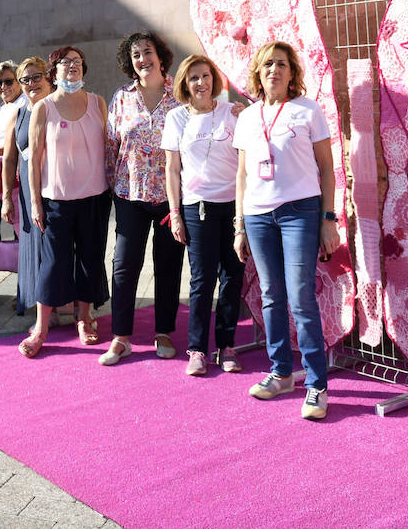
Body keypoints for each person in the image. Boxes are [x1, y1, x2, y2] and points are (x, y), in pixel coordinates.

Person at [233, 41, 340, 420]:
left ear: (292, 72)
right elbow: (242, 176)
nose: (273, 70)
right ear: (258, 74)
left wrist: (329, 218)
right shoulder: (247, 118)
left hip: (300, 212)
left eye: (281, 64)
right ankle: (280, 372)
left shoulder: (308, 111)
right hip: (258, 215)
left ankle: (316, 385)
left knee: (300, 298)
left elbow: (327, 168)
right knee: (270, 296)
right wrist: (239, 226)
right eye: (266, 65)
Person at [100, 31, 185, 366]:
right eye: (136, 55)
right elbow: (110, 146)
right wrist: (111, 188)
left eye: (147, 52)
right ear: (130, 62)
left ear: (160, 56)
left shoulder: (179, 94)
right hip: (130, 194)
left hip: (170, 198)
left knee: (168, 265)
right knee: (124, 266)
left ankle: (163, 331)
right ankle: (121, 337)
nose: (142, 59)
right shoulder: (121, 97)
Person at [20, 45, 110, 357]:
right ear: (53, 71)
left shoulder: (98, 103)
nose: (73, 66)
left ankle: (84, 319)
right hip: (55, 200)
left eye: (77, 61)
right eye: (65, 62)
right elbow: (33, 160)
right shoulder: (43, 107)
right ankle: (40, 328)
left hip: (94, 198)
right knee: (53, 264)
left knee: (89, 260)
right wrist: (35, 202)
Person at [163, 55, 245, 376]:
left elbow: (246, 158)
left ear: (215, 80)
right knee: (202, 280)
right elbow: (172, 169)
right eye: (194, 77)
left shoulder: (231, 112)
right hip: (197, 208)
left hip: (234, 207)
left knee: (232, 278)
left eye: (206, 76)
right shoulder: (176, 118)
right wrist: (175, 213)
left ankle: (226, 345)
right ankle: (197, 348)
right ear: (185, 82)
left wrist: (248, 112)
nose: (201, 82)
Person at [1, 57, 51, 316]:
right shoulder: (17, 115)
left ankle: (66, 302)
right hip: (29, 192)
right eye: (25, 79)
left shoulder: (58, 106)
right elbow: (9, 160)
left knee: (58, 246)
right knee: (32, 245)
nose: (32, 83)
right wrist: (7, 197)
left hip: (59, 189)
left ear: (48, 77)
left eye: (37, 76)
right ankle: (35, 302)